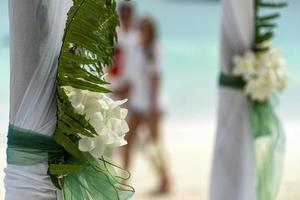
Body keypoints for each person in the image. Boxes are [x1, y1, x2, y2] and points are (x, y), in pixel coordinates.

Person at [122, 17, 171, 194]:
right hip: (137, 103)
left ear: (151, 32)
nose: (141, 32)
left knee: (154, 143)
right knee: (127, 140)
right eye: (140, 28)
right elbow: (133, 79)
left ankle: (166, 179)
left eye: (145, 29)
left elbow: (156, 78)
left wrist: (153, 106)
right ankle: (124, 180)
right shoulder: (136, 48)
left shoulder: (154, 49)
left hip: (151, 105)